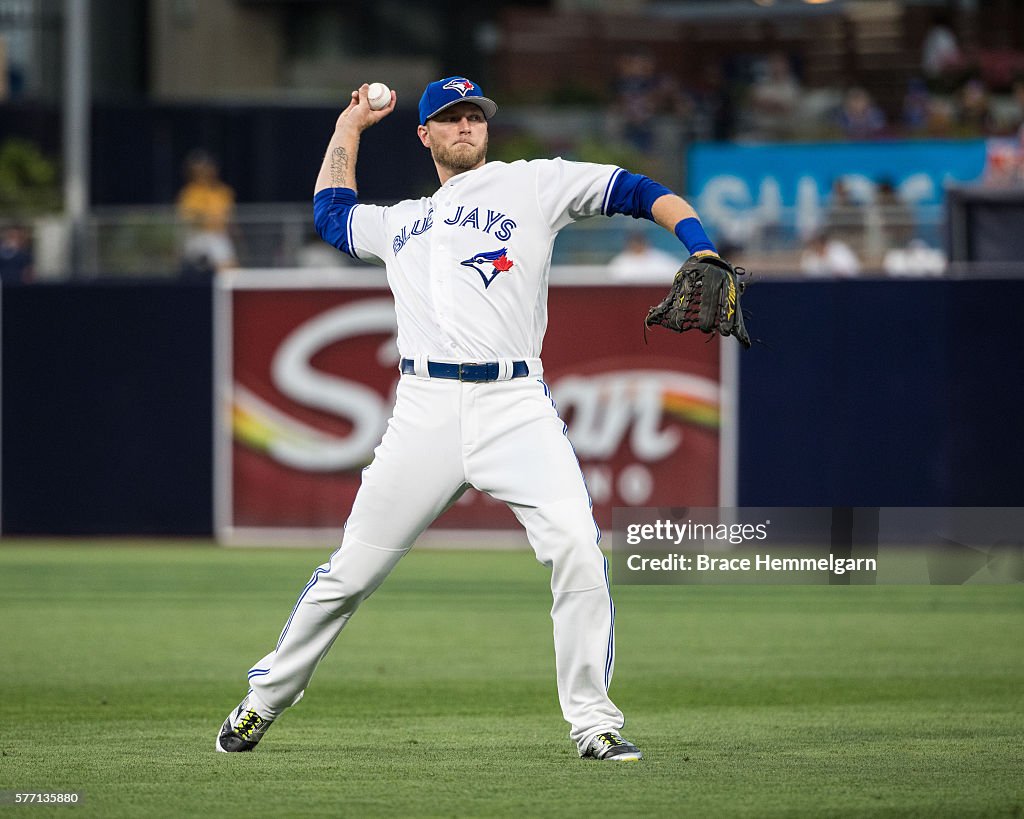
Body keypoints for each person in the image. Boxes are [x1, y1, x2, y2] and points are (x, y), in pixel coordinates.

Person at [215, 76, 731, 762]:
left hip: (515, 405)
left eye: (474, 116)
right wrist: (350, 125)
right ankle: (260, 702)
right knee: (349, 575)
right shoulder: (401, 222)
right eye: (450, 118)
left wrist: (697, 242)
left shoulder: (532, 185)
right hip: (423, 413)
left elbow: (636, 190)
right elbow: (330, 212)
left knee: (579, 548)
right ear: (425, 135)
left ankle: (594, 723)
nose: (466, 126)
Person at [176, 149, 238, 275]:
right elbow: (188, 221)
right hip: (197, 237)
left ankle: (228, 292)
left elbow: (230, 221)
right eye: (198, 169)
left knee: (229, 266)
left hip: (219, 236)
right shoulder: (189, 193)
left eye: (206, 168)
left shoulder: (223, 191)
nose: (203, 172)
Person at [607, 230, 680, 283]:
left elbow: (676, 274)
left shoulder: (660, 259)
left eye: (639, 242)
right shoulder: (620, 262)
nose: (637, 246)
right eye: (634, 243)